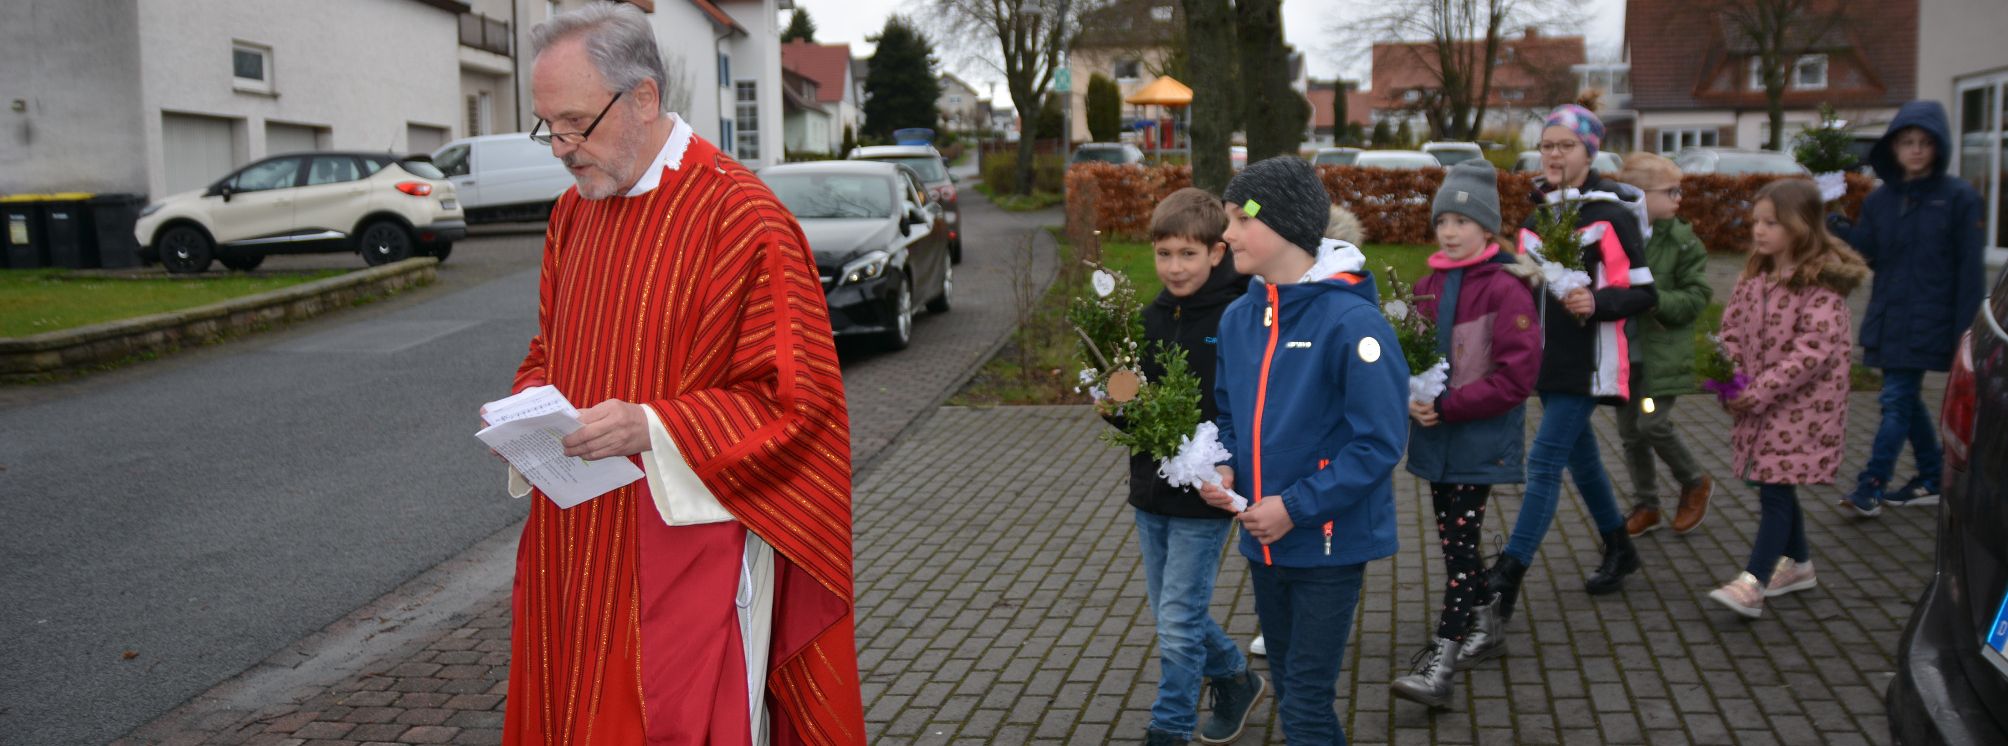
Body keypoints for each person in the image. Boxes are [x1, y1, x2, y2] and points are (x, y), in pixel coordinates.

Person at [496, 5, 865, 743]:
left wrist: (653, 424)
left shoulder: (743, 218)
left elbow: (798, 403)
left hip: (684, 548)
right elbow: (550, 350)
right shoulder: (572, 214)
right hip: (572, 540)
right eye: (547, 127)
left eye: (574, 123)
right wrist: (524, 412)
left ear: (642, 98)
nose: (562, 149)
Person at [1198, 156, 1408, 744]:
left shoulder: (1352, 324)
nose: (1228, 233)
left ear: (1284, 224)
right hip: (1264, 544)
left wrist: (1293, 506)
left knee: (1307, 705)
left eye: (1240, 219)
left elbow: (1378, 443)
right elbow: (1231, 415)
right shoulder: (1242, 317)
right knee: (1289, 687)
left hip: (1326, 544)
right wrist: (1224, 464)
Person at [1469, 102, 1658, 662]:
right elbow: (1528, 292)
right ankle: (1620, 546)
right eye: (1547, 145)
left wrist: (1596, 300)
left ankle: (1508, 575)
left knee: (1545, 461)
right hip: (1545, 360)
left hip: (1591, 360)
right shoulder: (1535, 219)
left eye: (1564, 146)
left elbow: (1644, 292)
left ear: (1589, 152)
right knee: (1582, 460)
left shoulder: (1610, 215)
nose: (1553, 155)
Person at [1391, 161, 1542, 709]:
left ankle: (1441, 661)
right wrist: (1411, 399)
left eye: (1462, 220)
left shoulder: (1506, 288)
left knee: (1457, 551)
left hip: (1477, 440)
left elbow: (1516, 377)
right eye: (1443, 221)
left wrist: (1450, 406)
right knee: (1457, 543)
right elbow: (1407, 358)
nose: (1450, 231)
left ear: (1488, 228)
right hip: (1436, 438)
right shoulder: (1427, 286)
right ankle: (1488, 623)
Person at [1120, 188, 1258, 746]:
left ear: (1217, 252)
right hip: (1149, 492)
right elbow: (1137, 413)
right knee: (1174, 615)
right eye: (1164, 254)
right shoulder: (1150, 317)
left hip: (1206, 495)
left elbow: (1246, 404)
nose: (1174, 267)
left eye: (1187, 254)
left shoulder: (1237, 315)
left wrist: (1230, 467)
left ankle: (1169, 728)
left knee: (1176, 620)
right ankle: (1233, 677)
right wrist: (1117, 406)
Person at [1708, 179, 1870, 618]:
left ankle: (1753, 582)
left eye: (1772, 223)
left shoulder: (1821, 289)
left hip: (1800, 411)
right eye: (1756, 221)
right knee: (1772, 483)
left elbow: (1811, 354)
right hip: (1759, 405)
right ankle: (1798, 565)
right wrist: (1732, 379)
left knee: (1775, 491)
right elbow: (1731, 333)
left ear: (1800, 227)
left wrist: (1758, 391)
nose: (1759, 231)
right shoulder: (1753, 279)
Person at [1837, 100, 1988, 516]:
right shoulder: (1881, 200)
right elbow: (1868, 254)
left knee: (1896, 398)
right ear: (1894, 148)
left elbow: (1969, 270)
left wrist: (1967, 331)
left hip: (1932, 319)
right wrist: (1839, 229)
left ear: (1938, 147)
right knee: (1904, 398)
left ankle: (1871, 483)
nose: (1917, 150)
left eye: (1925, 142)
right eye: (1907, 142)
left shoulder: (1959, 198)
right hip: (1890, 317)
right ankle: (1931, 474)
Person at [1612, 153, 1716, 536]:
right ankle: (1647, 504)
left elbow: (1696, 296)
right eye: (1669, 191)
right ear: (1639, 196)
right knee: (1629, 433)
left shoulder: (1682, 241)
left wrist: (1653, 298)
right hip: (1625, 358)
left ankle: (1694, 480)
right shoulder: (1618, 235)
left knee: (1651, 422)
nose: (1678, 198)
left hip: (1659, 358)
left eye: (1679, 190)